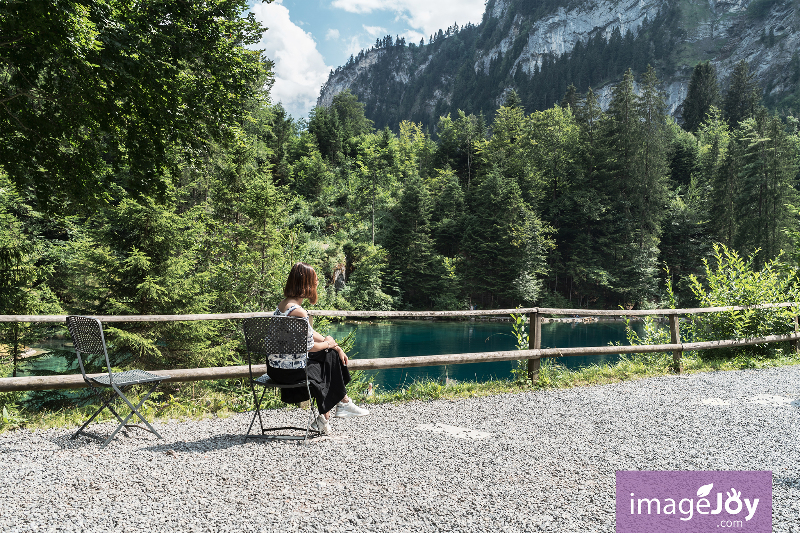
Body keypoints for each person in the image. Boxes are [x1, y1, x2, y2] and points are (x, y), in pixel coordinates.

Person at [267, 262, 369, 435]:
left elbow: (310, 333)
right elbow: (311, 347)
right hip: (291, 373)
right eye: (315, 280)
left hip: (275, 370)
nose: (317, 284)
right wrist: (330, 345)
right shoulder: (299, 312)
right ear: (305, 283)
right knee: (328, 357)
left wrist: (335, 345)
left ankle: (335, 410)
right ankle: (334, 411)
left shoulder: (283, 305)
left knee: (330, 355)